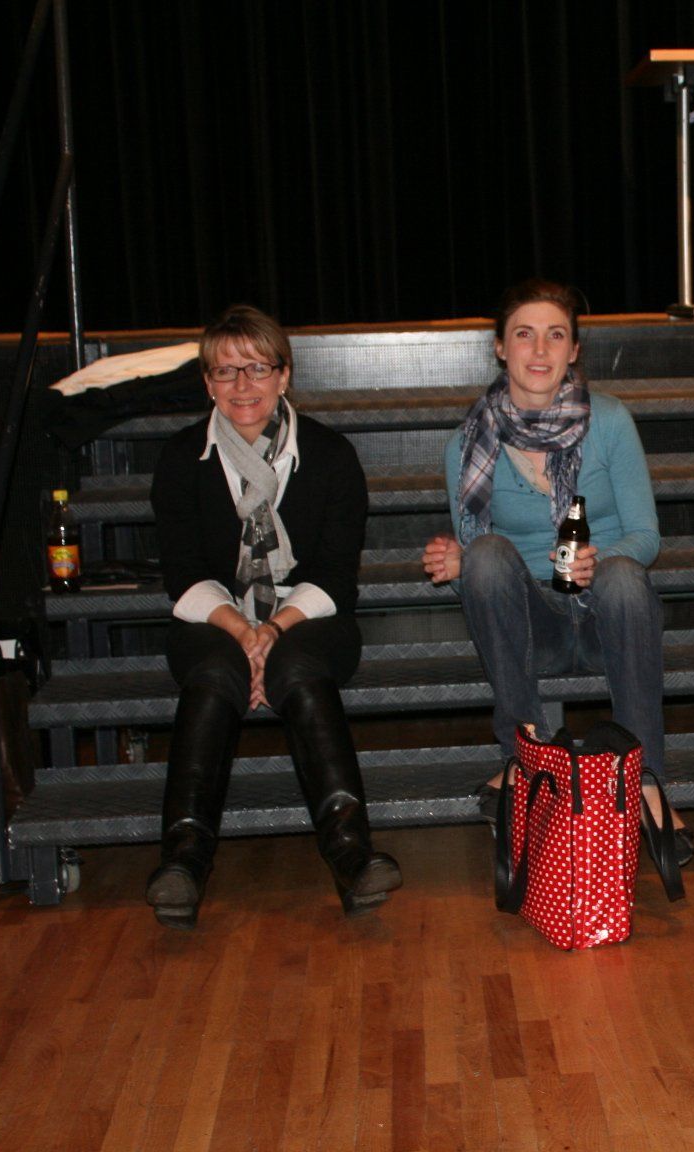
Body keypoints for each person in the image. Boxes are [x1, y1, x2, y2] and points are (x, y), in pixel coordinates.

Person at [147, 304, 401, 928]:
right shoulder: (181, 458)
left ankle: (350, 854)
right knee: (214, 671)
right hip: (213, 616)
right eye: (225, 371)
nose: (242, 385)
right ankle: (183, 861)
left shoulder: (330, 455)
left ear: (284, 375)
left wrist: (272, 629)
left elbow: (336, 576)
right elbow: (182, 575)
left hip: (311, 614)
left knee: (300, 664)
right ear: (207, 382)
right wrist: (241, 631)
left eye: (257, 368)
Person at [421, 279, 691, 862]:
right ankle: (525, 757)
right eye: (524, 334)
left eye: (555, 335)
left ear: (574, 350)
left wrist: (602, 560)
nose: (539, 350)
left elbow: (647, 536)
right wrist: (458, 560)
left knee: (624, 575)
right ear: (500, 347)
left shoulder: (610, 421)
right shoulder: (466, 444)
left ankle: (644, 778)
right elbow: (476, 566)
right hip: (533, 626)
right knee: (485, 554)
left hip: (607, 618)